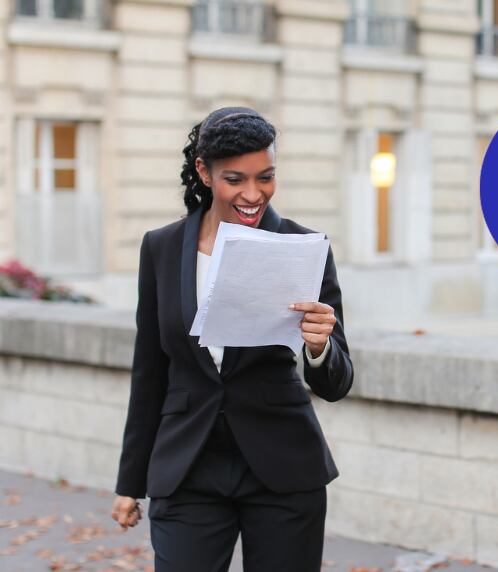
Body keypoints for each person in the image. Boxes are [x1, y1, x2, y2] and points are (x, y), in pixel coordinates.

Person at [110, 106, 354, 571]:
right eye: (235, 179)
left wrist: (320, 347)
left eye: (265, 177)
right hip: (187, 467)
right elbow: (149, 371)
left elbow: (336, 384)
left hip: (283, 468)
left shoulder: (303, 248)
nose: (252, 194)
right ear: (204, 172)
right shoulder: (161, 248)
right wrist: (130, 481)